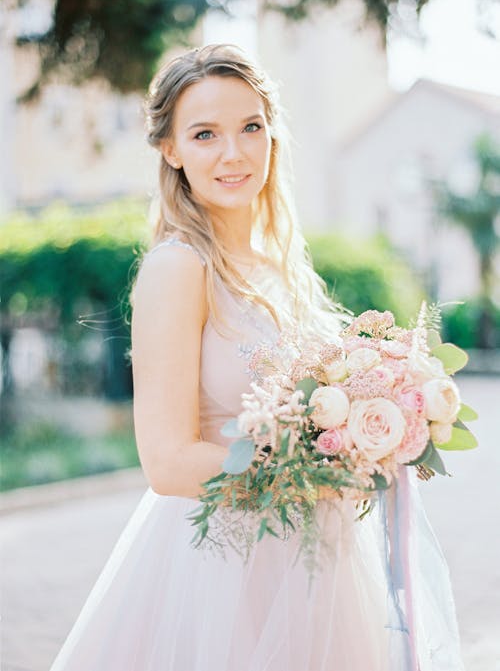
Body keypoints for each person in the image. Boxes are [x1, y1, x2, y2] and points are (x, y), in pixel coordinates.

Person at [48, 43, 465, 671]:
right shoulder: (177, 267)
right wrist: (315, 479)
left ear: (272, 132)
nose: (234, 153)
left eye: (250, 127)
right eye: (205, 134)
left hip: (318, 562)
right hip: (222, 568)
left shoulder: (280, 269)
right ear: (171, 150)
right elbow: (166, 462)